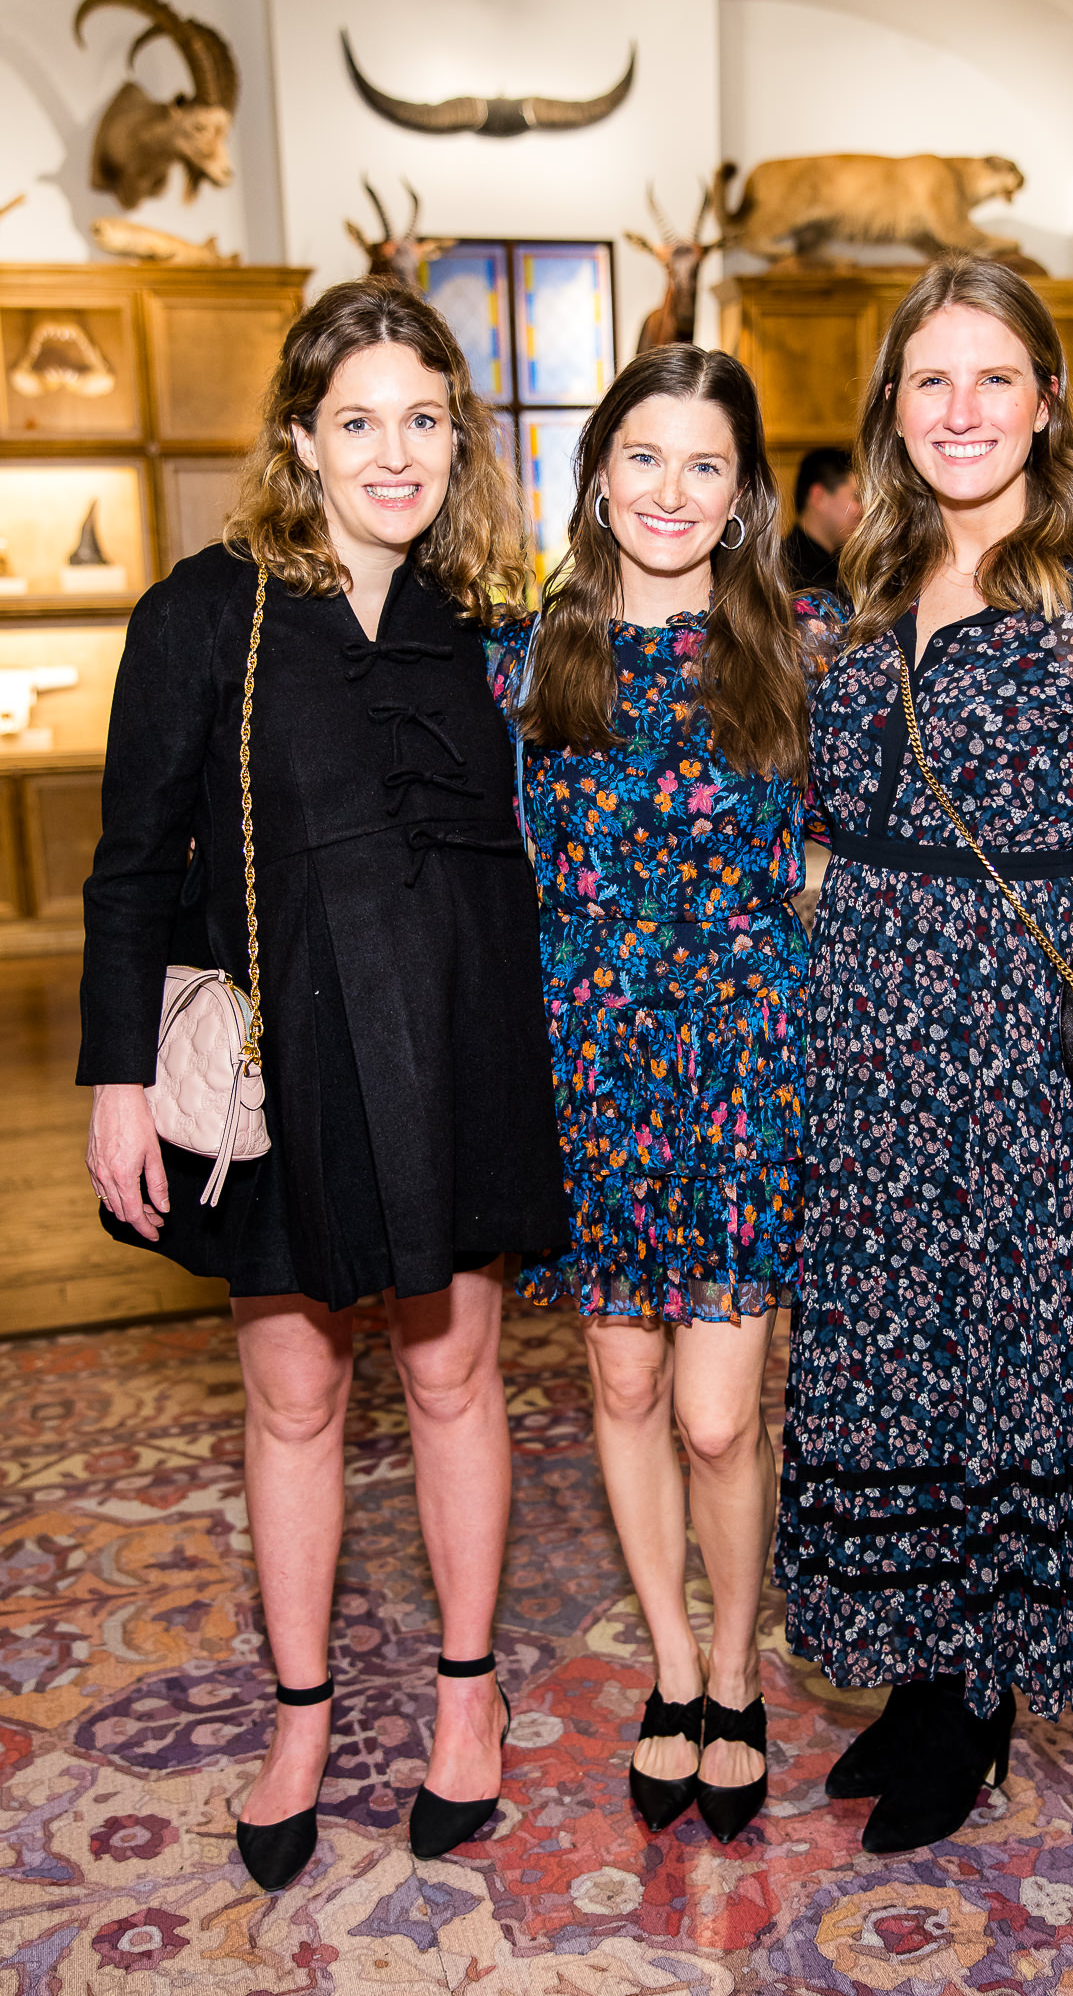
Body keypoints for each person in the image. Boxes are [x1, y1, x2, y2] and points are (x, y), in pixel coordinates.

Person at [79, 278, 569, 1890]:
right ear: (299, 437)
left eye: (423, 420)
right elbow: (131, 866)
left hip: (465, 1049)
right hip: (286, 1062)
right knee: (294, 1399)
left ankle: (467, 1698)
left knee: (454, 1380)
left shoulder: (488, 625)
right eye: (358, 420)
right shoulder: (202, 613)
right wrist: (118, 1079)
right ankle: (299, 1720)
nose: (394, 452)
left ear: (457, 439)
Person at [775, 256, 1073, 1855]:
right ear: (892, 406)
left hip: (1024, 1048)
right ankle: (920, 1669)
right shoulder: (860, 586)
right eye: (932, 379)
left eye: (995, 377)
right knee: (892, 1355)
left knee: (1019, 1363)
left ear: (1047, 400)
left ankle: (980, 1702)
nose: (962, 409)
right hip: (867, 1038)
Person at [489, 345, 840, 1843]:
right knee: (624, 1388)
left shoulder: (804, 645)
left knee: (714, 1415)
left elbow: (876, 851)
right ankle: (680, 1674)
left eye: (707, 464)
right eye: (644, 455)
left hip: (746, 1064)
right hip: (589, 1069)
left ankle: (743, 1665)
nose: (672, 491)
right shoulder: (522, 663)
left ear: (746, 492)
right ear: (598, 473)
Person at [781, 447, 863, 598]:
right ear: (819, 497)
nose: (864, 511)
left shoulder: (845, 566)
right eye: (857, 498)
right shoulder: (784, 573)